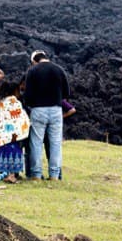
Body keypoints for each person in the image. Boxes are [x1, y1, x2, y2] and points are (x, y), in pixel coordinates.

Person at [22, 50, 71, 180]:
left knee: (36, 142)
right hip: (56, 109)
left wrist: (32, 105)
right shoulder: (59, 69)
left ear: (34, 60)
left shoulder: (32, 71)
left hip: (38, 110)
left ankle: (36, 174)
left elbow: (27, 95)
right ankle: (54, 175)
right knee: (55, 143)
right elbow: (66, 93)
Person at [0, 79, 30, 181]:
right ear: (14, 91)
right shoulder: (14, 101)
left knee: (4, 151)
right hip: (14, 132)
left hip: (4, 132)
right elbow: (19, 116)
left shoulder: (2, 101)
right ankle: (12, 175)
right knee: (14, 152)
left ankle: (4, 174)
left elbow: (1, 116)